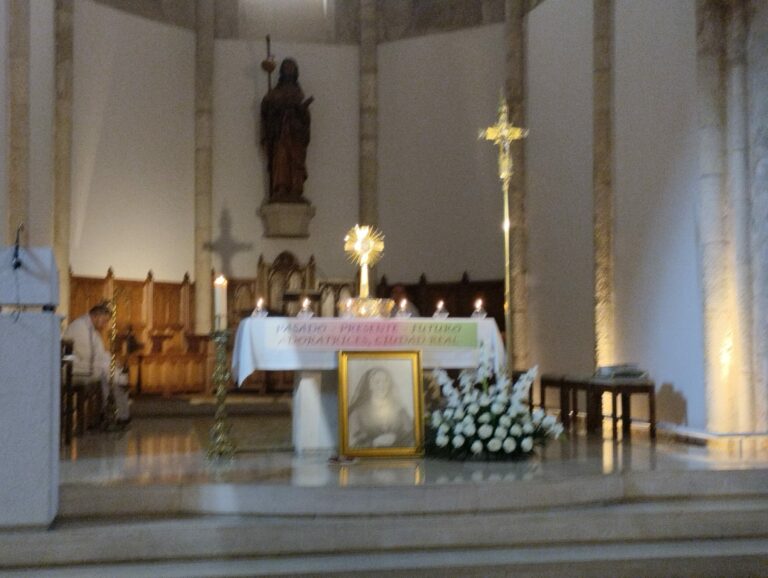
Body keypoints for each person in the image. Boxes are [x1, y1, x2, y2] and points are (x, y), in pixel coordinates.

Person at [63, 302, 131, 425]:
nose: (105, 325)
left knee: (116, 372)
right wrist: (110, 363)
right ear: (97, 316)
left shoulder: (92, 329)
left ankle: (118, 413)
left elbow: (100, 353)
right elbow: (87, 355)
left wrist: (113, 362)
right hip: (74, 367)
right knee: (108, 373)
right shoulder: (80, 326)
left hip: (86, 364)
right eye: (104, 321)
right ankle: (112, 415)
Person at [260, 58, 314, 201]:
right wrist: (270, 105)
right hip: (280, 133)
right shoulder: (274, 93)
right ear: (282, 72)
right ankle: (281, 187)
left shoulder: (299, 93)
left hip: (296, 134)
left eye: (291, 68)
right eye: (286, 68)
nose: (289, 70)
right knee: (281, 158)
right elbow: (266, 112)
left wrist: (301, 111)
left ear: (295, 72)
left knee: (295, 160)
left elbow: (305, 118)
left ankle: (296, 189)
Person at [348, 367, 414, 448]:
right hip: (368, 458)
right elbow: (353, 443)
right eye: (377, 382)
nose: (382, 385)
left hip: (396, 456)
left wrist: (396, 439)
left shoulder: (400, 410)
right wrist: (374, 443)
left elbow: (411, 437)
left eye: (385, 381)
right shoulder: (357, 413)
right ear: (369, 386)